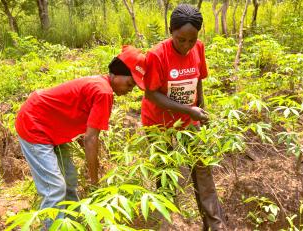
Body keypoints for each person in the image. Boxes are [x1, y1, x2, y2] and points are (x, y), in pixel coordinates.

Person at [15, 45, 146, 229]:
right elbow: (91, 139)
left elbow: (84, 128)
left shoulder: (101, 85)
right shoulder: (103, 92)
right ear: (116, 74)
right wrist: (94, 182)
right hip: (35, 125)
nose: (130, 89)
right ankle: (51, 227)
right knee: (54, 188)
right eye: (130, 83)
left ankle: (72, 225)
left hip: (50, 126)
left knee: (69, 179)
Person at [141, 4, 227, 231]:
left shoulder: (198, 47)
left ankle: (214, 225)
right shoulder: (156, 55)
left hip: (190, 120)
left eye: (192, 40)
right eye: (181, 40)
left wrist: (201, 108)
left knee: (203, 170)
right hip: (159, 123)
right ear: (171, 31)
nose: (187, 46)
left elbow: (198, 79)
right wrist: (189, 110)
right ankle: (167, 226)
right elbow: (151, 93)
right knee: (166, 177)